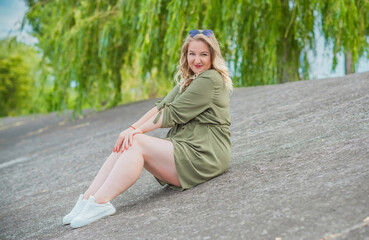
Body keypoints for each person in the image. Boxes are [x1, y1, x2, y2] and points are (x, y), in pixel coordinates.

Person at [62, 29, 233, 228]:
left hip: (207, 153)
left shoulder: (210, 79)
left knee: (136, 141)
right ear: (185, 55)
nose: (197, 59)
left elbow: (173, 113)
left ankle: (100, 202)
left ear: (213, 56)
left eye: (204, 54)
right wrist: (132, 128)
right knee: (129, 140)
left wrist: (137, 132)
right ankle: (87, 199)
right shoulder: (189, 80)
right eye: (192, 53)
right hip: (189, 148)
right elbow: (160, 107)